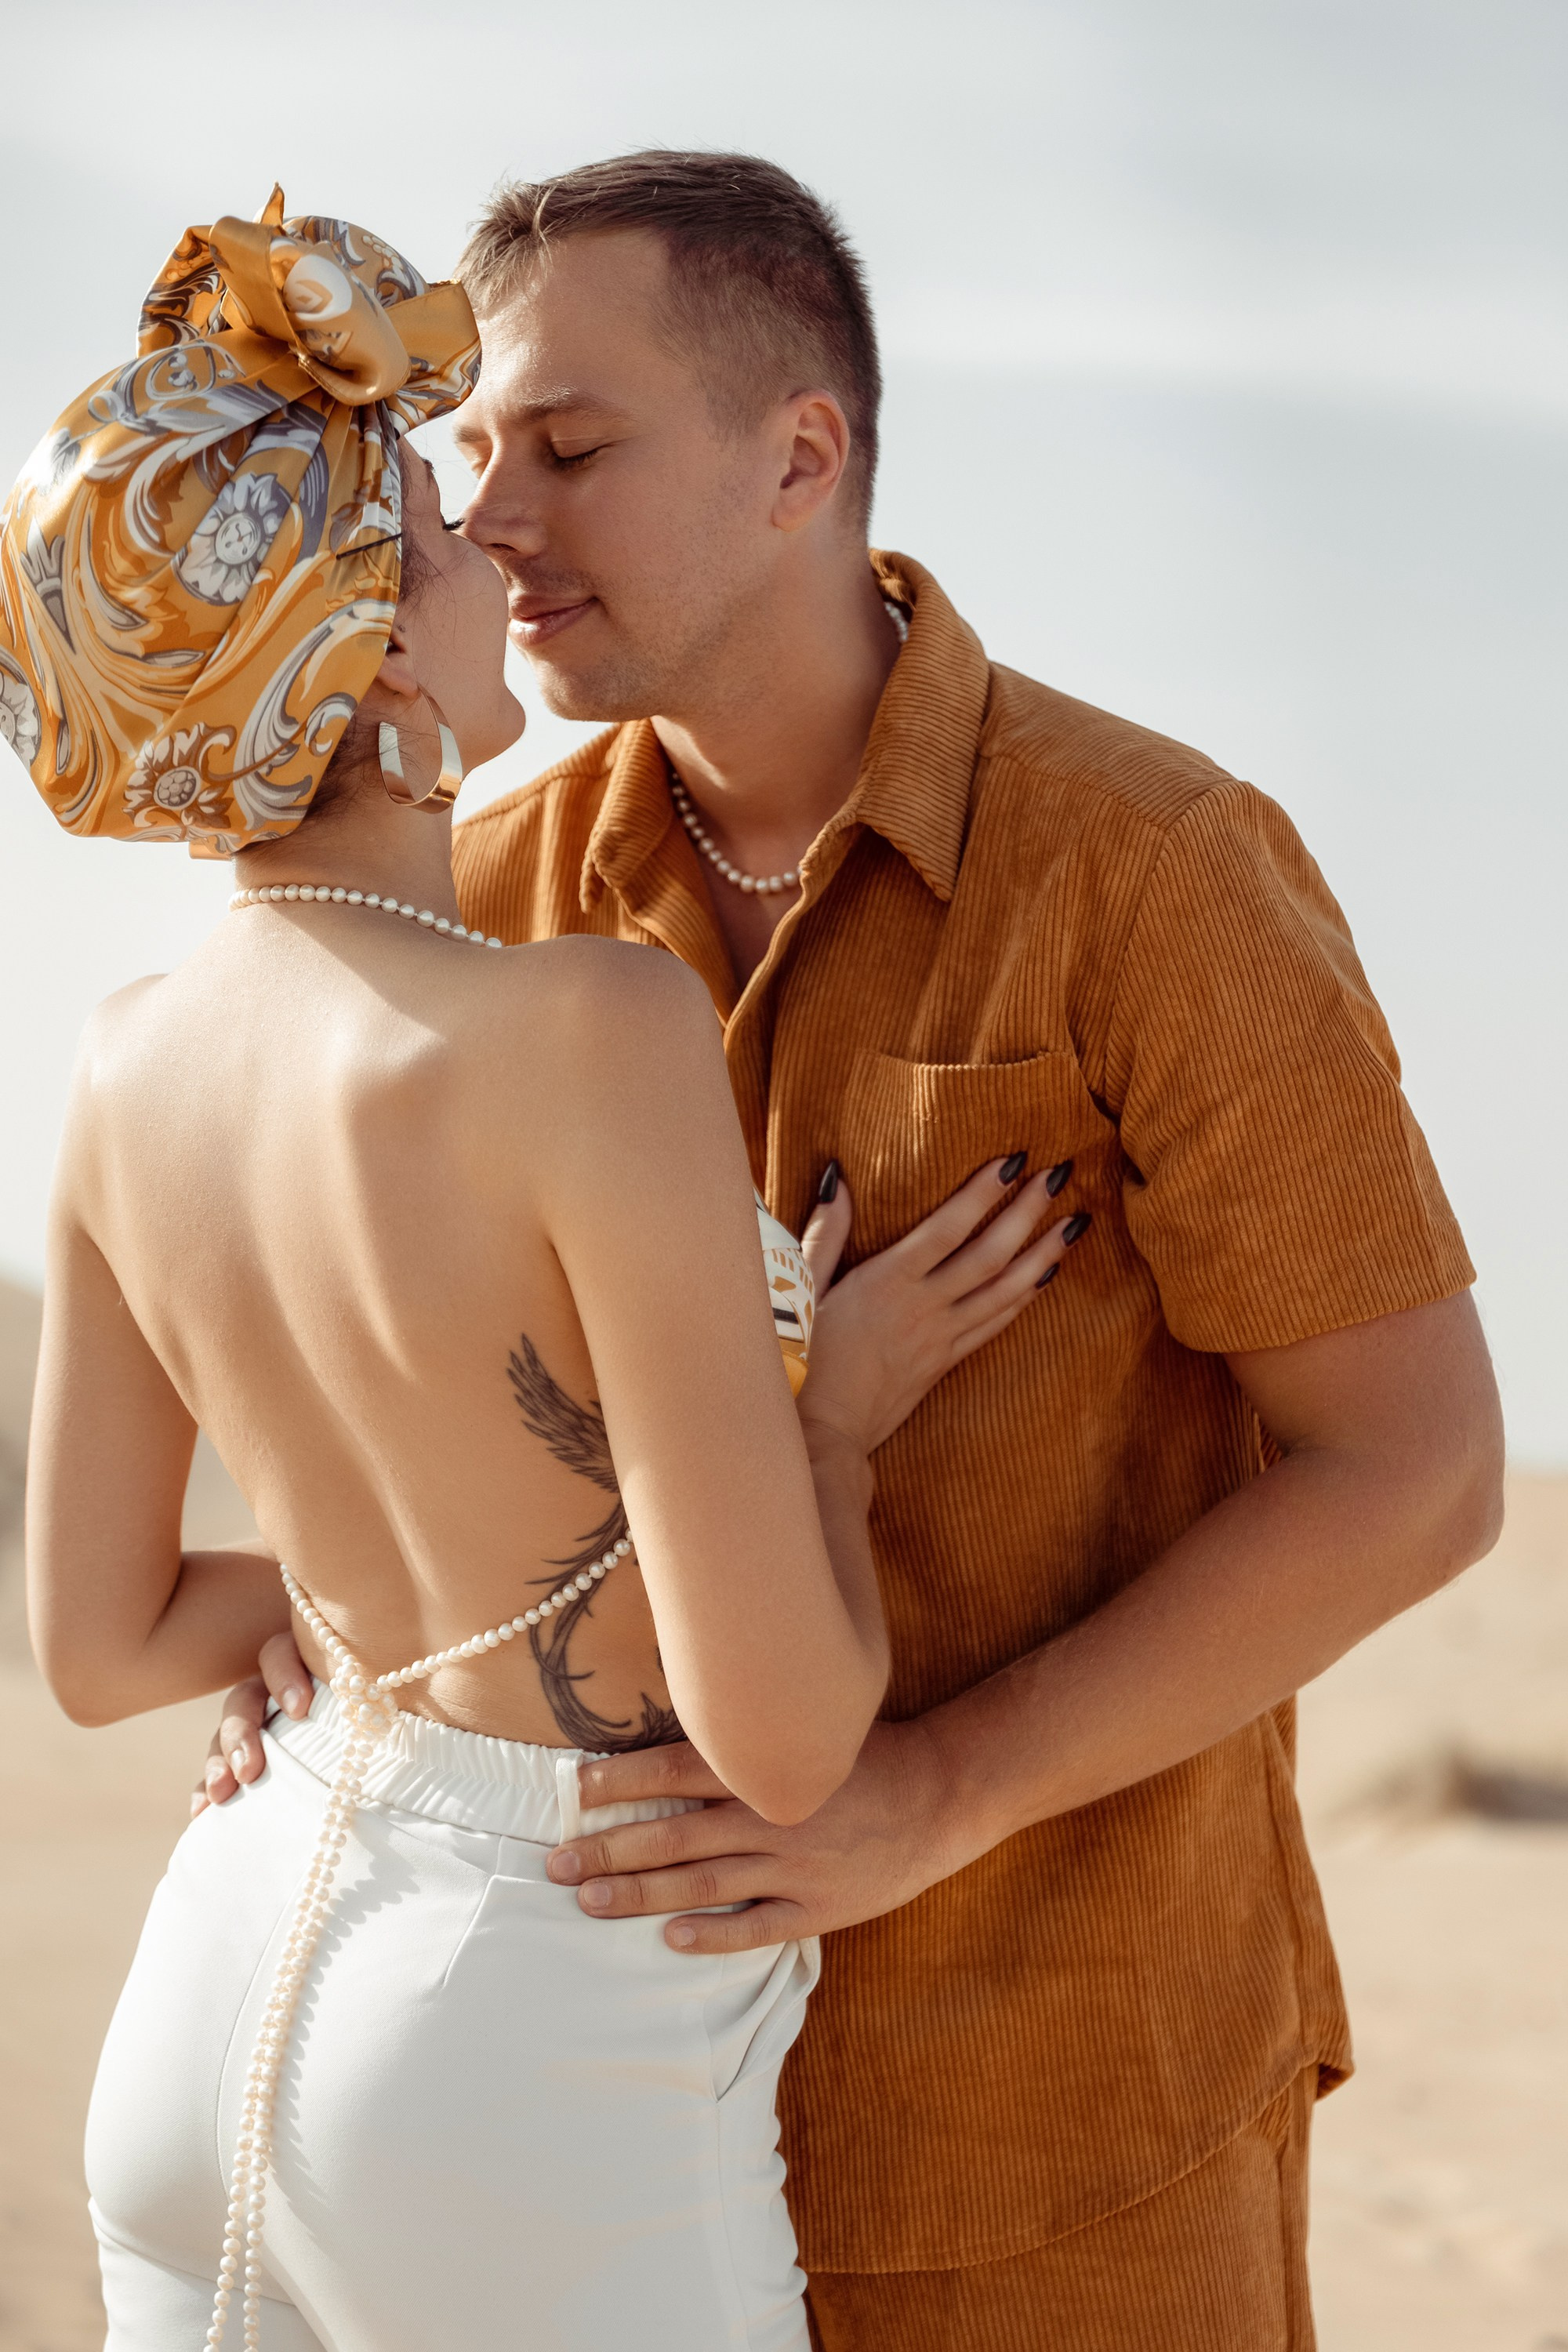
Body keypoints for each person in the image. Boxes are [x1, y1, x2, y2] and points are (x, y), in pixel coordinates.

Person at [206, 151, 1507, 2352]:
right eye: (473, 455)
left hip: (1054, 2133)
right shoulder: (468, 891)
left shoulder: (1154, 871)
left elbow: (1420, 1470)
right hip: (575, 2128)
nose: (494, 516)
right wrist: (288, 1622)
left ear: (800, 453)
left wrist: (936, 1792)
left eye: (572, 447)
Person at [5, 194, 1078, 2352]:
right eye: (425, 529)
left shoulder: (126, 1067)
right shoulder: (589, 1028)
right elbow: (779, 1743)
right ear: (379, 661)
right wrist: (836, 1432)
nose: (491, 547)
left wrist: (368, 1591)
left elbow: (102, 1645)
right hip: (533, 2040)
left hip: (213, 1990)